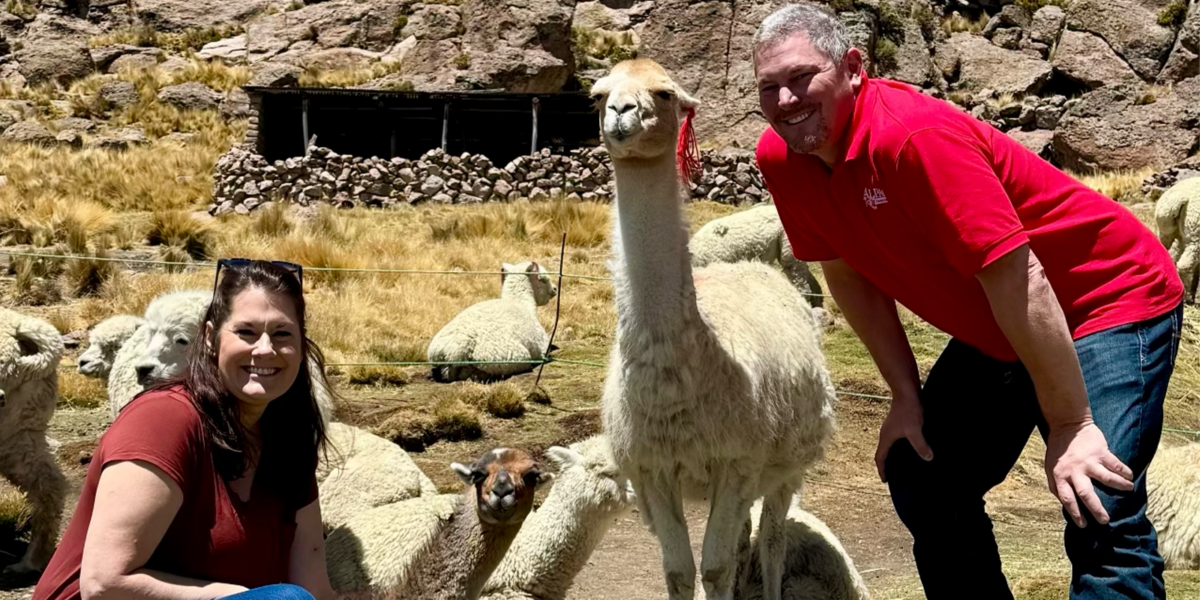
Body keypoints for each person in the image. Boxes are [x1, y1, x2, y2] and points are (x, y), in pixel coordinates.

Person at [751, 3, 1184, 599]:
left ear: (853, 68)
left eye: (802, 77)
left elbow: (1020, 278)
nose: (787, 99)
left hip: (1105, 300)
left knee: (1097, 496)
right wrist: (905, 397)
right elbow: (845, 274)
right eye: (769, 87)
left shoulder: (913, 139)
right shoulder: (783, 159)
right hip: (1005, 324)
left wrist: (1071, 422)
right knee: (923, 474)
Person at [32, 259, 336, 600]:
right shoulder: (163, 420)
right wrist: (234, 596)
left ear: (301, 343)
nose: (264, 349)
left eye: (282, 333)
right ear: (209, 338)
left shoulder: (290, 438)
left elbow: (314, 587)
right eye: (246, 332)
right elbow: (104, 583)